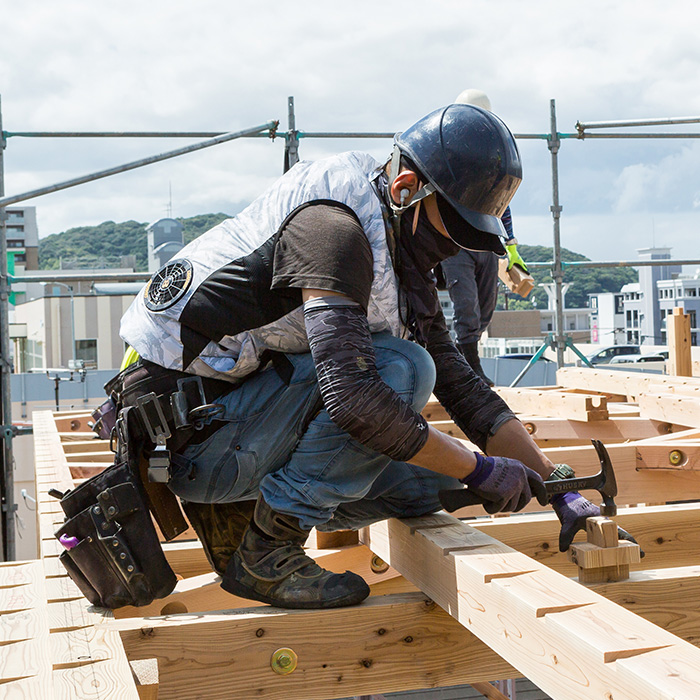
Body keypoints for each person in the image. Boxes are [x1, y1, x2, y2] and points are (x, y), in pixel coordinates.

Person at [117, 103, 636, 610]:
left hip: (240, 424)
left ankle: (263, 516)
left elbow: (460, 384)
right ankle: (267, 551)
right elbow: (352, 398)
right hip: (192, 443)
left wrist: (555, 484)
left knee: (428, 484)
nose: (454, 250)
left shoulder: (398, 237)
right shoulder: (333, 231)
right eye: (453, 231)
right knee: (402, 369)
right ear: (407, 188)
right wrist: (478, 468)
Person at [440, 89, 529, 386]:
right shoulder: (446, 149)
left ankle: (465, 360)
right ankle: (470, 371)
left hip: (486, 240)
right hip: (455, 243)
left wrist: (511, 244)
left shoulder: (493, 151)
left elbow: (502, 200)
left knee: (485, 308)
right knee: (466, 308)